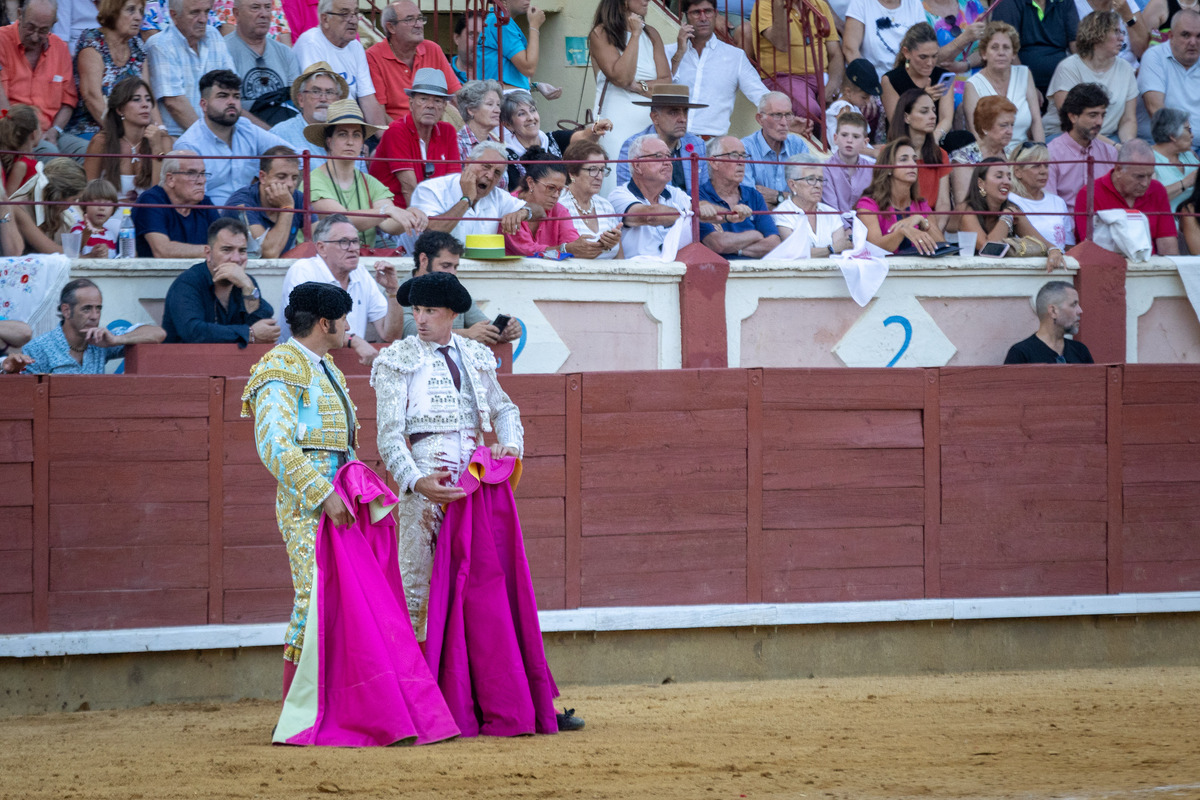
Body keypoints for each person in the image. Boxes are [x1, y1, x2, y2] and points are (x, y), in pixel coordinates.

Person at [246, 279, 459, 747]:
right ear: (325, 323)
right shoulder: (281, 366)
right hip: (310, 503)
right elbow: (275, 445)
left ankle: (342, 705)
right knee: (313, 597)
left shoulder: (326, 370)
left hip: (341, 500)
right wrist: (322, 493)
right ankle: (301, 714)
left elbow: (339, 448)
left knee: (345, 600)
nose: (349, 327)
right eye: (343, 319)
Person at [371, 270, 582, 736]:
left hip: (476, 485)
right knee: (416, 588)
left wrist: (509, 446)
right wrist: (414, 482)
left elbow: (504, 409)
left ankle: (500, 699)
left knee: (485, 591)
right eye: (416, 311)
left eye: (430, 312)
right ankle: (417, 702)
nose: (420, 320)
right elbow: (389, 435)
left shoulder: (475, 354)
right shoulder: (396, 359)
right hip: (427, 488)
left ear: (452, 315)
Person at [277, 213, 404, 365]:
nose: (353, 249)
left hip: (349, 366)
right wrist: (353, 340)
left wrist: (393, 291)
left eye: (355, 241)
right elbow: (306, 331)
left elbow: (391, 335)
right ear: (322, 248)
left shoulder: (361, 273)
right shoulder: (304, 270)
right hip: (300, 365)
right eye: (344, 242)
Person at [306, 99, 427, 249]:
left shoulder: (370, 181)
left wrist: (410, 216)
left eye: (356, 135)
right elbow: (340, 220)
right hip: (324, 260)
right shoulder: (313, 180)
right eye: (343, 134)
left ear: (363, 142)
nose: (350, 142)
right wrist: (386, 211)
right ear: (329, 141)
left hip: (363, 262)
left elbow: (390, 225)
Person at [175, 69, 291, 206]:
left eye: (236, 96)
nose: (231, 102)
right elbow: (194, 204)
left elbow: (296, 156)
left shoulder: (247, 128)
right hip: (214, 220)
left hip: (255, 216)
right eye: (223, 96)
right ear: (204, 105)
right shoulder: (189, 145)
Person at [588, 0, 670, 194]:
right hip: (616, 124)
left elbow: (666, 83)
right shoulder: (600, 33)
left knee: (652, 179)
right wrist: (634, 34)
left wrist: (638, 86)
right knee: (615, 182)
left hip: (650, 123)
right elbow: (622, 76)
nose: (647, 1)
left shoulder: (652, 34)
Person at [162, 217, 279, 344]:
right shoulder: (188, 283)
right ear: (208, 253)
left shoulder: (246, 282)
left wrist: (249, 288)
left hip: (235, 362)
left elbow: (264, 328)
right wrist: (248, 334)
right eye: (227, 250)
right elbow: (193, 332)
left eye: (242, 251)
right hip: (186, 361)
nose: (236, 259)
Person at [664, 0, 768, 138]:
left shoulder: (735, 56)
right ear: (685, 17)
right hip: (671, 143)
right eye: (696, 12)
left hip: (712, 148)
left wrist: (785, 113)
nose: (703, 18)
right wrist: (679, 53)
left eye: (707, 11)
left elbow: (760, 95)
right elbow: (657, 90)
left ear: (715, 14)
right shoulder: (668, 52)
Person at [737, 0, 841, 135]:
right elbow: (782, 43)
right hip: (784, 77)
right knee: (810, 111)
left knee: (853, 110)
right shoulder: (765, 4)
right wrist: (781, 6)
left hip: (821, 77)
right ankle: (822, 149)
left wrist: (832, 87)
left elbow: (835, 53)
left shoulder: (819, 4)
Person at [21, 278, 166, 374]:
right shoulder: (38, 348)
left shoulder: (102, 340)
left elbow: (158, 334)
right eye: (87, 309)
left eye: (98, 308)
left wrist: (117, 340)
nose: (94, 316)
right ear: (66, 310)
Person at [402, 230, 522, 343]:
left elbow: (481, 323)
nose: (452, 273)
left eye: (455, 267)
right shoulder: (401, 290)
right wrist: (467, 334)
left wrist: (503, 331)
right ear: (424, 260)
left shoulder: (453, 288)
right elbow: (408, 331)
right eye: (446, 265)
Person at [65, 0, 153, 150]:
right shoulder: (92, 42)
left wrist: (157, 129)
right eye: (131, 10)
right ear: (113, 11)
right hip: (92, 128)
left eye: (141, 11)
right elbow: (92, 97)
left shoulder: (138, 46)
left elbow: (147, 95)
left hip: (132, 130)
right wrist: (123, 135)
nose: (138, 17)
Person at [413, 140, 543, 242]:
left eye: (497, 172)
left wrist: (524, 212)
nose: (490, 176)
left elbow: (540, 211)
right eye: (485, 166)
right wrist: (466, 199)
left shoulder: (497, 196)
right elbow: (431, 232)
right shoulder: (432, 189)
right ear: (468, 163)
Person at [369, 68, 460, 206]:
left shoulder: (448, 131)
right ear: (411, 104)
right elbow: (409, 189)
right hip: (397, 214)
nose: (430, 106)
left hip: (437, 211)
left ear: (444, 107)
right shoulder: (397, 131)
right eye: (423, 99)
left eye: (437, 101)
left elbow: (453, 182)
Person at [0, 0, 80, 155]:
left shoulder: (60, 48)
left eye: (43, 30)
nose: (35, 37)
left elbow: (68, 101)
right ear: (19, 15)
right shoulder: (2, 39)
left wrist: (54, 131)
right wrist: (26, 133)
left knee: (85, 150)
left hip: (49, 131)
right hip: (11, 129)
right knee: (49, 153)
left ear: (54, 24)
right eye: (30, 28)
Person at [1073, 138, 1179, 254]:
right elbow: (1091, 249)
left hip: (1150, 267)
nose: (1145, 183)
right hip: (1105, 266)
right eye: (1139, 176)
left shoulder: (1157, 190)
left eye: (1150, 175)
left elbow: (1168, 245)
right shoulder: (1089, 194)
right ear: (1118, 170)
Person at [1044, 11, 1137, 143]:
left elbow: (1128, 120)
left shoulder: (1126, 69)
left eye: (1122, 32)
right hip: (1066, 137)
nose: (1122, 38)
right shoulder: (1069, 67)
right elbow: (1072, 123)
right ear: (1097, 34)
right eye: (1116, 32)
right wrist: (1114, 148)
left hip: (1109, 138)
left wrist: (1127, 147)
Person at [958, 157, 1066, 271]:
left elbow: (1041, 241)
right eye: (999, 176)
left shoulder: (1012, 209)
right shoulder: (965, 209)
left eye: (1009, 177)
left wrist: (1054, 251)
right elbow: (988, 249)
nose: (1006, 181)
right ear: (981, 183)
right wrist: (1006, 218)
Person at [291, 0, 387, 126]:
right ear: (325, 19)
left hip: (353, 126)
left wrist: (382, 138)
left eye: (355, 13)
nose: (353, 20)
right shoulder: (311, 42)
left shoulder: (355, 46)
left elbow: (367, 98)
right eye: (344, 14)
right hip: (324, 127)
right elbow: (322, 101)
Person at [147, 0, 235, 136]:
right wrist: (209, 139)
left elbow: (232, 87)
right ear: (174, 15)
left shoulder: (214, 36)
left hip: (220, 131)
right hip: (179, 137)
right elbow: (175, 104)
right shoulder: (160, 45)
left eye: (206, 12)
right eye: (195, 13)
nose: (203, 19)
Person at [366, 0, 462, 121]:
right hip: (397, 132)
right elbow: (379, 113)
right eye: (409, 19)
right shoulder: (374, 56)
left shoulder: (433, 49)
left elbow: (456, 96)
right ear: (391, 27)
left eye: (420, 18)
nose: (419, 24)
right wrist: (404, 135)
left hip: (433, 129)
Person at [84, 77, 174, 203]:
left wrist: (157, 149)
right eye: (136, 99)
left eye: (148, 100)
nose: (145, 105)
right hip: (109, 217)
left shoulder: (163, 142)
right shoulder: (101, 142)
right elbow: (87, 192)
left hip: (150, 216)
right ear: (120, 110)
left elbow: (162, 196)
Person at [498, 90, 611, 189]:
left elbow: (583, 138)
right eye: (521, 114)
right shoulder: (505, 156)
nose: (531, 118)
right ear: (508, 124)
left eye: (532, 110)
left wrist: (595, 130)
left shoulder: (553, 139)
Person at [609, 134, 696, 258]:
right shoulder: (619, 195)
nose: (668, 162)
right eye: (659, 156)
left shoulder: (675, 193)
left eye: (669, 156)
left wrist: (727, 215)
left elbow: (698, 210)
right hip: (637, 272)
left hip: (676, 268)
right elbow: (650, 216)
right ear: (637, 165)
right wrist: (688, 215)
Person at [855, 137, 946, 254]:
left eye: (914, 160)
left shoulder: (921, 205)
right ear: (888, 168)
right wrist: (902, 232)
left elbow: (943, 245)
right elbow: (874, 248)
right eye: (904, 159)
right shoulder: (868, 204)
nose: (912, 164)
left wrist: (921, 221)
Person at [506, 148, 602, 258]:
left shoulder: (559, 210)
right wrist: (564, 249)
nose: (556, 195)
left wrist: (603, 245)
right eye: (551, 188)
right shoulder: (509, 205)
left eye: (560, 190)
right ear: (531, 183)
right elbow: (526, 251)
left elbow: (574, 245)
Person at [616, 83, 708, 195]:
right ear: (655, 117)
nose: (683, 119)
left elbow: (703, 192)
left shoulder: (697, 144)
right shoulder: (634, 146)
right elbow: (625, 194)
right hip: (649, 210)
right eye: (674, 112)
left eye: (685, 111)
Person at [698, 135, 780, 259]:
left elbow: (774, 243)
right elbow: (717, 244)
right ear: (714, 162)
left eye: (744, 156)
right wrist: (755, 234)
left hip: (756, 272)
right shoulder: (699, 196)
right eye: (734, 155)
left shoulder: (754, 195)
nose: (741, 161)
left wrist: (736, 249)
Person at [961, 21, 1042, 146]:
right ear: (983, 53)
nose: (1001, 53)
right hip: (991, 157)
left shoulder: (1024, 74)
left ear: (1013, 53)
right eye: (994, 47)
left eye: (1006, 47)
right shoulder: (973, 85)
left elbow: (1037, 121)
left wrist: (1041, 155)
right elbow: (976, 134)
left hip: (1025, 156)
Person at [131, 149, 221, 258]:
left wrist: (222, 250)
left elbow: (226, 242)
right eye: (192, 173)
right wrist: (213, 251)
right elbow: (162, 251)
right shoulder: (151, 200)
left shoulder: (204, 203)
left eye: (202, 173)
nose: (201, 181)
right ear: (170, 179)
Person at [224, 145, 310, 258]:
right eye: (281, 177)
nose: (289, 184)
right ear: (262, 177)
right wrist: (287, 207)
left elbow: (321, 240)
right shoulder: (241, 202)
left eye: (294, 178)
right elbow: (269, 253)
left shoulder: (297, 197)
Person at [223, 0, 300, 126]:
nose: (264, 14)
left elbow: (297, 101)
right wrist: (270, 135)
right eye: (255, 7)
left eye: (268, 7)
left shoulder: (285, 53)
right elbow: (226, 105)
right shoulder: (223, 51)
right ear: (237, 13)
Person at [1045, 82, 1118, 212]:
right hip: (1066, 228)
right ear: (1073, 116)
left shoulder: (1110, 153)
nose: (1099, 122)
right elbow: (1050, 206)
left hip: (1104, 227)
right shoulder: (1051, 153)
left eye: (1102, 115)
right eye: (1093, 115)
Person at [880, 23, 953, 144]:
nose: (930, 63)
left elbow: (946, 119)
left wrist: (933, 140)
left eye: (934, 56)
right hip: (904, 142)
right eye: (923, 57)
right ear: (906, 52)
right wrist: (922, 98)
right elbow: (897, 123)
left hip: (936, 140)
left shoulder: (942, 76)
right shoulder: (891, 80)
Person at [1138, 9, 1200, 150]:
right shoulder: (1154, 57)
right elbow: (1155, 110)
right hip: (1167, 146)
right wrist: (1185, 149)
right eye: (1186, 35)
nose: (1193, 42)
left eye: (1199, 36)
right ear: (1171, 36)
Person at [889, 88, 950, 230]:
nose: (933, 116)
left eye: (933, 110)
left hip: (931, 226)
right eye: (924, 111)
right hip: (898, 227)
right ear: (906, 117)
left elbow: (943, 203)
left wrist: (934, 234)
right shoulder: (889, 153)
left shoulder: (941, 155)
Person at [269, 61, 349, 168]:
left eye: (329, 92)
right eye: (316, 92)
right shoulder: (280, 135)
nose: (323, 99)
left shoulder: (350, 135)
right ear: (301, 99)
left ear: (338, 101)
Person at [475, 0, 560, 99]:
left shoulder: (497, 20)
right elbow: (529, 68)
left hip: (505, 97)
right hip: (508, 100)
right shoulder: (500, 22)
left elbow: (508, 74)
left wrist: (536, 86)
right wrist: (534, 26)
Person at [739, 91, 811, 209]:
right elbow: (749, 202)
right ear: (760, 119)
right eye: (777, 115)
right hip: (759, 223)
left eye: (788, 115)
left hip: (795, 221)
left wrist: (778, 196)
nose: (783, 122)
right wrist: (792, 199)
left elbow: (807, 198)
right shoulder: (744, 148)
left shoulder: (798, 146)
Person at [991, 0, 1080, 94]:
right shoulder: (1009, 2)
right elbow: (1005, 48)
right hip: (1018, 82)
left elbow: (1075, 42)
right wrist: (1026, 85)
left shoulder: (1064, 2)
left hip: (1062, 82)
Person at [773, 154, 850, 256]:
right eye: (811, 179)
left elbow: (841, 249)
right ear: (792, 185)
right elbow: (796, 252)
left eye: (820, 179)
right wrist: (831, 249)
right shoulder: (782, 214)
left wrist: (829, 250)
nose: (818, 185)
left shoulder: (831, 213)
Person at [950, 96, 1017, 212]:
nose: (1010, 131)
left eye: (1012, 125)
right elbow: (963, 206)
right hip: (976, 221)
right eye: (1003, 125)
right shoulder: (964, 158)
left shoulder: (1013, 155)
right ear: (985, 127)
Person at [560, 140, 623, 260]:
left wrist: (612, 242)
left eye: (602, 170)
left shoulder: (605, 206)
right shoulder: (560, 204)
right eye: (592, 170)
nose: (599, 176)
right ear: (572, 173)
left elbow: (619, 256)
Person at [1009, 140, 1076, 253]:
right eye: (1035, 166)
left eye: (1046, 165)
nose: (1044, 171)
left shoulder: (1058, 202)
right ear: (1018, 172)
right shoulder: (1010, 200)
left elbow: (1068, 246)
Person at [1004, 280, 1093, 363]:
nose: (1080, 311)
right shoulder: (1021, 354)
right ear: (1053, 311)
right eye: (1073, 304)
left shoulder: (1080, 351)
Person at [11, 158, 87, 255]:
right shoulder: (19, 207)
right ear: (59, 196)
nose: (74, 204)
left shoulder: (56, 211)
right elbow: (50, 249)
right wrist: (88, 258)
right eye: (73, 199)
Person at [842, 0, 927, 81]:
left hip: (906, 79)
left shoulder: (914, 4)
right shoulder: (860, 3)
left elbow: (924, 46)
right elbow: (850, 50)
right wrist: (868, 83)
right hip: (870, 81)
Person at [824, 58, 885, 154]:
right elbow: (847, 144)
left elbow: (859, 144)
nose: (868, 101)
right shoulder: (843, 108)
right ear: (848, 92)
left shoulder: (853, 107)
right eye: (864, 97)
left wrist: (877, 148)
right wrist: (873, 153)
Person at [822, 112, 874, 213]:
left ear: (865, 143)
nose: (849, 140)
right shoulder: (825, 169)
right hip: (837, 225)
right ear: (835, 138)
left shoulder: (872, 169)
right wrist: (846, 228)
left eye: (856, 136)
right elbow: (831, 209)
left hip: (866, 224)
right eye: (844, 135)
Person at [1150, 107, 1199, 212]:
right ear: (1172, 135)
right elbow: (1151, 199)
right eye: (1188, 130)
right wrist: (1187, 182)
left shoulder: (1189, 155)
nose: (1192, 135)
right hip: (1166, 223)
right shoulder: (1148, 158)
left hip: (1193, 223)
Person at [455, 79, 506, 166]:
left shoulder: (497, 145)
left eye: (498, 105)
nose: (498, 110)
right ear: (471, 110)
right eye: (490, 104)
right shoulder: (457, 143)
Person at [69, 178, 120, 258]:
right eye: (96, 202)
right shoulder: (78, 228)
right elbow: (71, 252)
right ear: (85, 205)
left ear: (113, 209)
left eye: (107, 204)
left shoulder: (110, 235)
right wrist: (86, 233)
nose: (102, 208)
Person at [0, 105, 41, 196]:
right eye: (40, 126)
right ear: (34, 134)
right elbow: (9, 198)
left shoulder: (30, 158)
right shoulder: (21, 165)